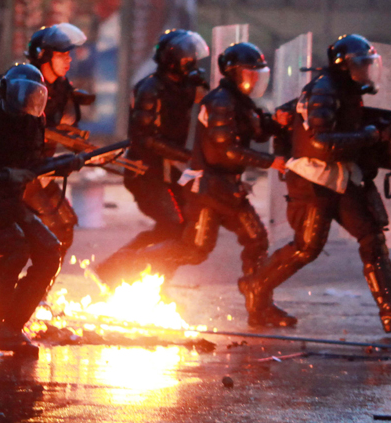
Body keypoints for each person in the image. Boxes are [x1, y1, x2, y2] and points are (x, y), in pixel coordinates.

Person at [240, 35, 391, 332]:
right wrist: (368, 136)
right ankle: (255, 287)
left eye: (369, 65)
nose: (367, 71)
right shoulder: (325, 89)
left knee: (371, 235)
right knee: (307, 248)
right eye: (362, 65)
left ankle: (390, 309)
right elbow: (320, 141)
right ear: (346, 66)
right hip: (314, 177)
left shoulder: (340, 88)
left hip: (340, 174)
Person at [120, 43, 286, 301]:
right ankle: (132, 263)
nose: (254, 79)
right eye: (249, 73)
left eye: (258, 73)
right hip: (211, 188)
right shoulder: (220, 101)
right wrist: (271, 161)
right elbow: (227, 149)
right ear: (234, 73)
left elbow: (257, 129)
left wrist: (276, 123)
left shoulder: (240, 101)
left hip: (227, 187)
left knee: (255, 241)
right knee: (194, 248)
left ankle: (259, 303)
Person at [0, 63, 84, 357]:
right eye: (24, 94)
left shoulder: (34, 122)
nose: (29, 102)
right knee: (16, 249)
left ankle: (11, 325)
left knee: (50, 250)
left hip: (10, 202)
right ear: (7, 92)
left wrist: (63, 165)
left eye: (35, 95)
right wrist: (4, 176)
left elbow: (31, 166)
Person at [0, 23, 94, 293]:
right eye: (62, 55)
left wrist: (74, 141)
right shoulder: (19, 83)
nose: (69, 59)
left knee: (63, 226)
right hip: (13, 171)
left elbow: (56, 125)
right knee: (39, 234)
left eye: (69, 54)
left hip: (39, 168)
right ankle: (17, 291)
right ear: (43, 55)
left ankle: (25, 286)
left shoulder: (61, 86)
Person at [94, 29, 209, 288]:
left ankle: (146, 280)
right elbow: (145, 138)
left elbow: (207, 100)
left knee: (180, 228)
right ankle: (119, 269)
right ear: (175, 59)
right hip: (146, 172)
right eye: (189, 59)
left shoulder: (183, 85)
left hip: (170, 171)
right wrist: (186, 156)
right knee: (174, 226)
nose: (194, 64)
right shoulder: (150, 89)